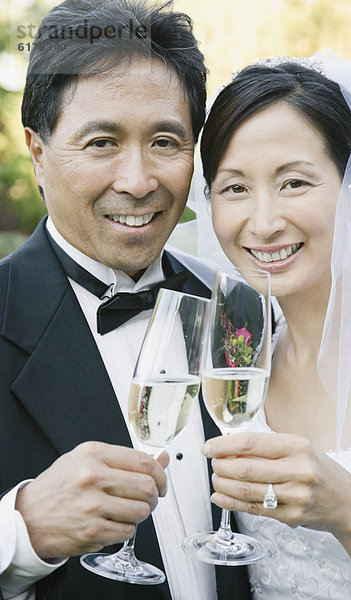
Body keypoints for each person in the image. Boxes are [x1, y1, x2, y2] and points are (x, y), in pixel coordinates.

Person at [0, 1, 252, 599]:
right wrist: (22, 530)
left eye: (165, 141)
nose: (138, 181)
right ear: (38, 153)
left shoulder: (242, 311)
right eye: (101, 143)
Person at [189, 53, 351, 599]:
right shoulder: (238, 360)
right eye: (234, 188)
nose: (262, 222)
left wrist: (349, 509)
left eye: (294, 183)